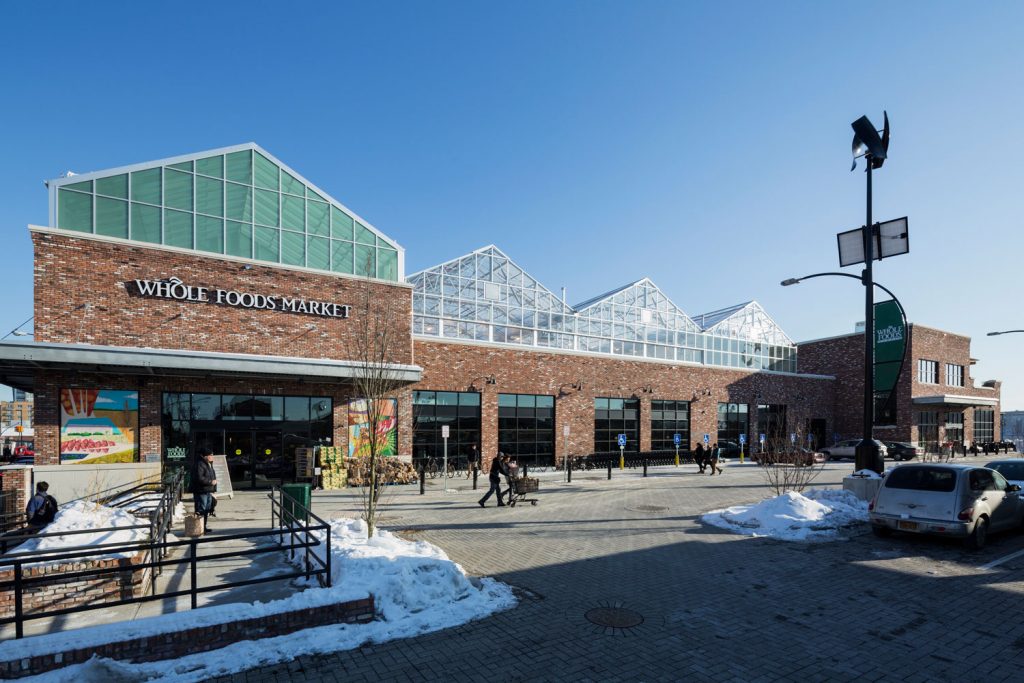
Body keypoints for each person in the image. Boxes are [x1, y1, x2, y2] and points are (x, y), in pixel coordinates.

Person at [192, 448, 218, 533]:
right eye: (210, 455)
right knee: (201, 509)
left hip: (207, 490)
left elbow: (212, 475)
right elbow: (199, 478)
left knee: (206, 509)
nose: (212, 457)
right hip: (201, 491)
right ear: (205, 456)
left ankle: (203, 527)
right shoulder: (200, 464)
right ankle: (199, 528)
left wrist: (214, 489)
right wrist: (211, 482)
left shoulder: (208, 464)